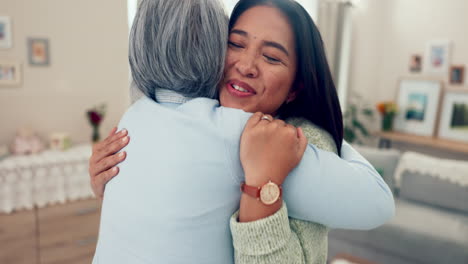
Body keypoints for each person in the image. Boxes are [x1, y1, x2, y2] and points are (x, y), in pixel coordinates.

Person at [91, 0, 394, 263]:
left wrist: (312, 127)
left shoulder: (138, 113)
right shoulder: (221, 130)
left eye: (272, 57)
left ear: (295, 89)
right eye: (235, 44)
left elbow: (379, 204)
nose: (247, 65)